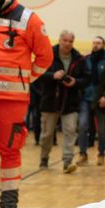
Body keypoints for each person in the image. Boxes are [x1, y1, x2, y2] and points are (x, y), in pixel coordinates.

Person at [0, 0, 52, 208]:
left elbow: (45, 57)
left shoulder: (29, 20)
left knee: (10, 151)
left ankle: (8, 206)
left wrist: (25, 79)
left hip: (11, 101)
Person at [37, 30, 89, 174]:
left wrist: (75, 82)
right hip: (50, 100)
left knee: (70, 131)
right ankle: (44, 158)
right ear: (59, 40)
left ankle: (67, 162)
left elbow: (86, 79)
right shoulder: (48, 54)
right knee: (47, 134)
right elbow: (38, 74)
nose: (67, 44)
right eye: (65, 40)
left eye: (70, 41)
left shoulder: (79, 58)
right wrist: (52, 75)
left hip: (70, 102)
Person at [77, 36, 105, 167]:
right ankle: (82, 154)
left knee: (101, 130)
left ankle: (101, 154)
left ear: (103, 45)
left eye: (98, 43)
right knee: (82, 126)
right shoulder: (86, 59)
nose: (96, 45)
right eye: (94, 43)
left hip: (101, 99)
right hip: (86, 98)